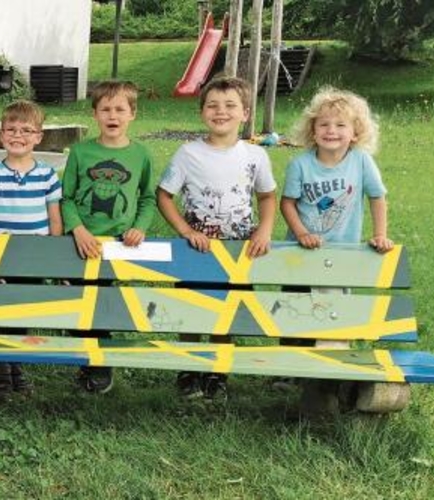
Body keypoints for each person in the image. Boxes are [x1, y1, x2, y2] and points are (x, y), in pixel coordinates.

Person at [156, 76, 277, 401]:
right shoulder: (188, 153)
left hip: (239, 250)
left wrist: (264, 230)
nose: (220, 111)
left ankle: (218, 371)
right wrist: (185, 230)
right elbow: (164, 195)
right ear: (202, 112)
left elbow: (266, 197)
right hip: (197, 249)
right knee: (192, 308)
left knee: (229, 310)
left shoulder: (255, 156)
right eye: (212, 105)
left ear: (245, 114)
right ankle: (189, 367)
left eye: (230, 106)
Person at [60, 80, 158, 395]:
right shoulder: (79, 152)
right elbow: (67, 198)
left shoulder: (141, 155)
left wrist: (139, 227)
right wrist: (78, 229)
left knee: (103, 303)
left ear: (133, 114)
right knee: (77, 304)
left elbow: (147, 198)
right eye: (105, 109)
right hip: (81, 243)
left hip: (117, 246)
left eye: (120, 109)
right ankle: (83, 358)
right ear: (95, 114)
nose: (112, 115)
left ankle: (99, 365)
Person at [0, 100, 62, 396]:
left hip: (35, 257)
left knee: (23, 311)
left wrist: (54, 259)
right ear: (1, 136)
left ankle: (17, 365)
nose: (18, 135)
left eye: (27, 130)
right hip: (3, 255)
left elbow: (55, 221)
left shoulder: (47, 175)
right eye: (11, 129)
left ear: (39, 137)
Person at [281, 86, 392, 253]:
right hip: (302, 248)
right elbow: (287, 204)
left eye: (341, 125)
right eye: (324, 124)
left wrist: (380, 235)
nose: (331, 130)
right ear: (313, 132)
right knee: (301, 280)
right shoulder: (299, 165)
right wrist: (302, 234)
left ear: (355, 133)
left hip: (345, 249)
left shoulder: (362, 161)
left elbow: (377, 197)